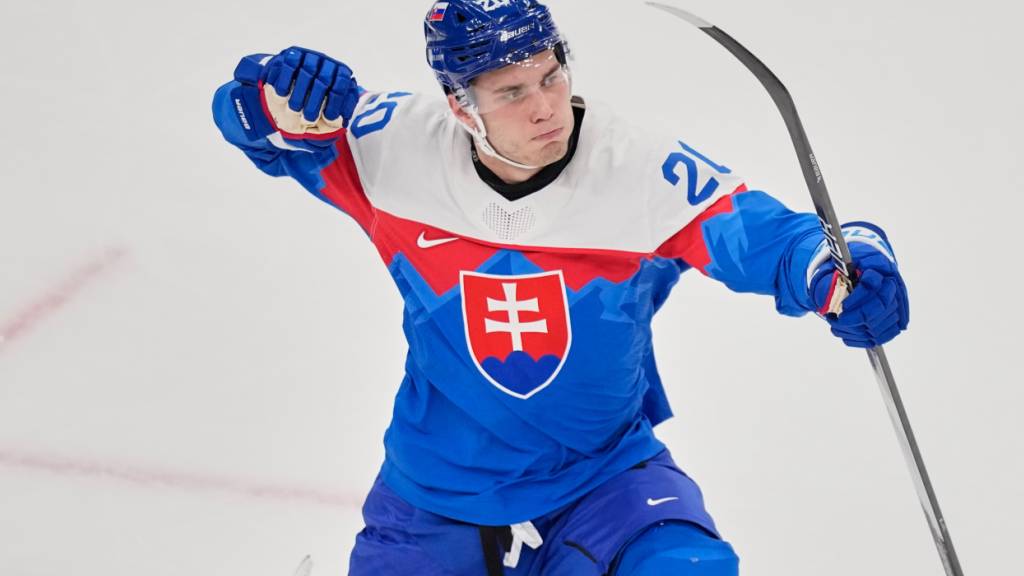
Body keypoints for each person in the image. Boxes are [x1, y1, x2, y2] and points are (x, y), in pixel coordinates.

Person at [211, 1, 909, 574]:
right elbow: (258, 125)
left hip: (603, 483)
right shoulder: (391, 145)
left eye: (550, 75)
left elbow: (768, 236)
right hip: (435, 494)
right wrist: (273, 98)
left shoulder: (638, 169)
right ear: (460, 106)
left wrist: (842, 268)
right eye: (511, 92)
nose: (545, 106)